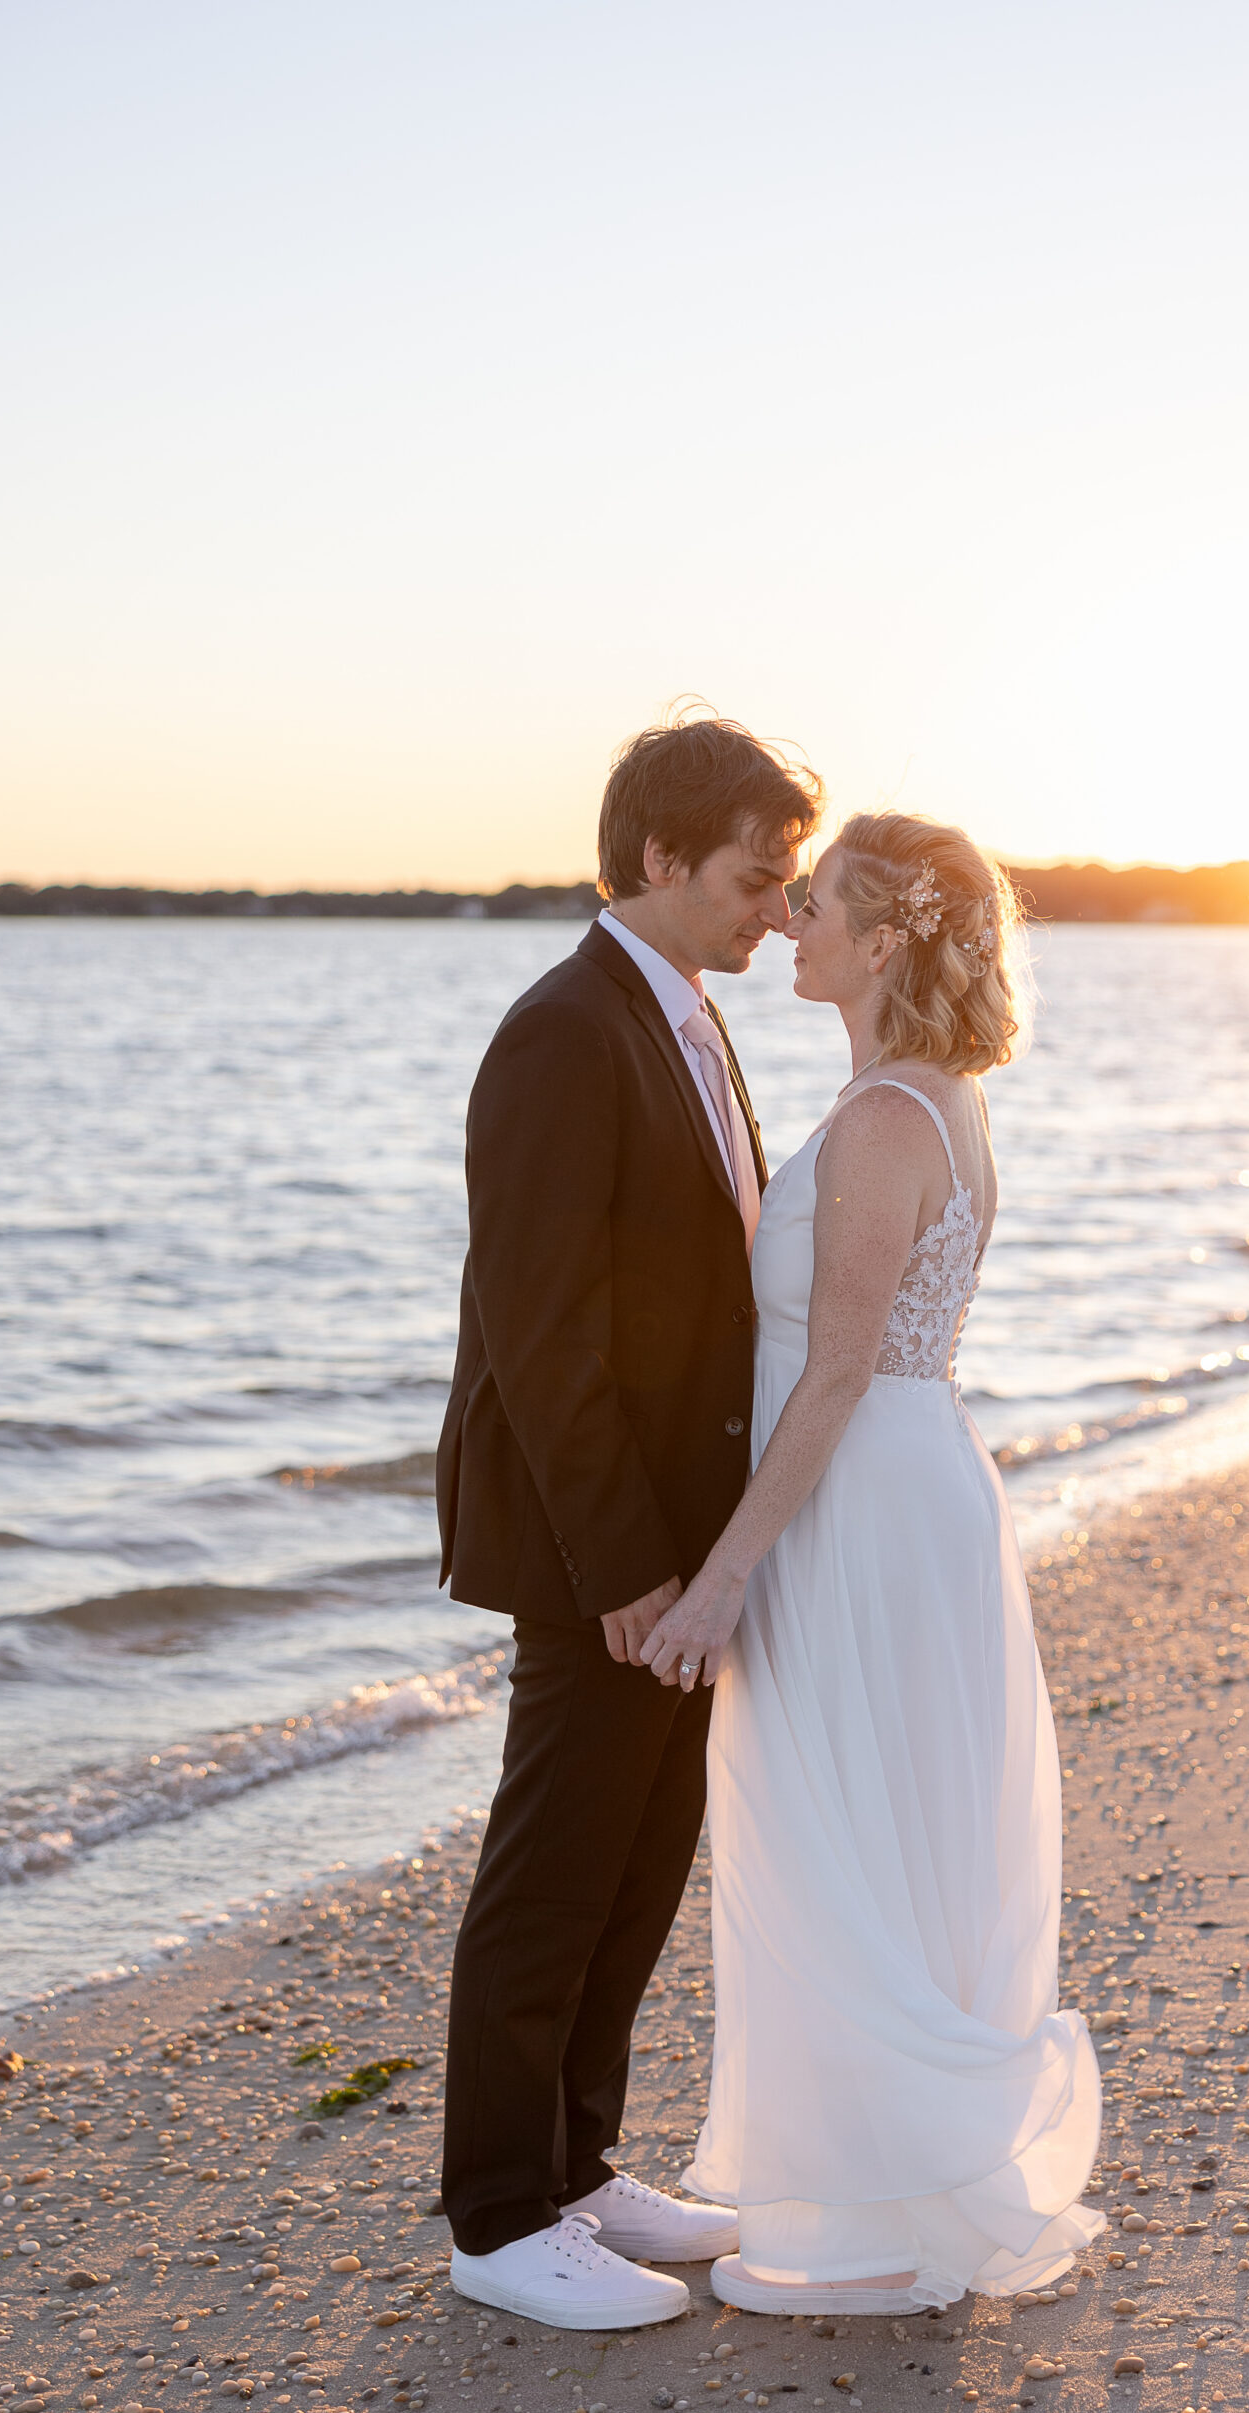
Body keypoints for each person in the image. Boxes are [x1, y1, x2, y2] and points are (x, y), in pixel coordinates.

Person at [641, 810, 1104, 2312]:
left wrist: (718, 1577)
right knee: (884, 1828)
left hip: (861, 1503)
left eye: (822, 901)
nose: (791, 921)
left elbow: (835, 1372)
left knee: (842, 1832)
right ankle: (883, 2195)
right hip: (902, 1492)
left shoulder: (896, 1117)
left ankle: (871, 2216)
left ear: (888, 939)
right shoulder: (920, 1100)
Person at [436, 710, 822, 2328]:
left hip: (686, 1539)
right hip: (604, 1550)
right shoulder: (564, 1031)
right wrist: (626, 1567)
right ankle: (497, 2216)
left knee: (643, 1858)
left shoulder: (687, 1016)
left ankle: (583, 2169)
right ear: (660, 858)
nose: (775, 907)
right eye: (753, 873)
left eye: (789, 879)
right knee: (556, 1864)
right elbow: (542, 1334)